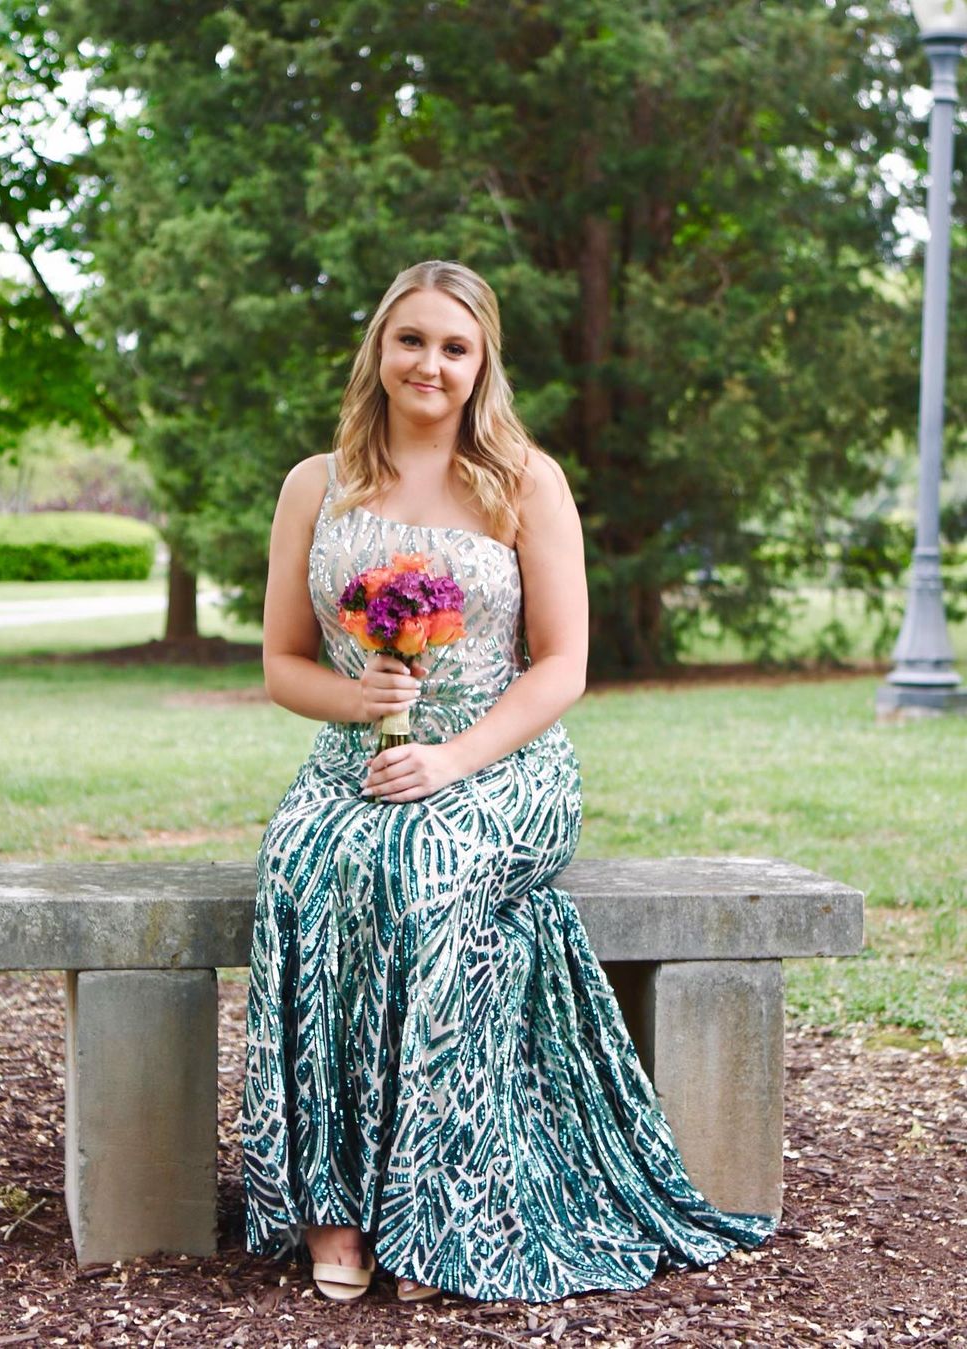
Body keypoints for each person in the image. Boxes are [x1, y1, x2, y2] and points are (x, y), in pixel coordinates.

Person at [241, 259, 773, 1304]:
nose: (429, 363)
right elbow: (281, 663)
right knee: (306, 864)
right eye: (411, 339)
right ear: (379, 347)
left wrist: (450, 758)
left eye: (454, 346)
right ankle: (333, 1201)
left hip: (504, 762)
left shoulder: (525, 480)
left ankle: (437, 1206)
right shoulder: (316, 484)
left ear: (482, 362)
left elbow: (563, 664)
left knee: (423, 868)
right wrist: (359, 698)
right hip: (357, 756)